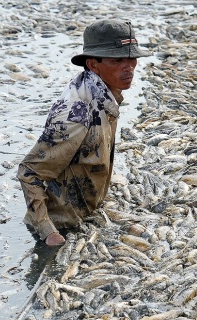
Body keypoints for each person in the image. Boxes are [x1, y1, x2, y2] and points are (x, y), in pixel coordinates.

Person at [18, 20, 150, 246]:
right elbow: (29, 172)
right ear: (93, 65)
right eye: (117, 60)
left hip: (87, 217)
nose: (128, 66)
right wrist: (48, 232)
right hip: (62, 228)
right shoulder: (76, 115)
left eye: (131, 58)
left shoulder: (107, 92)